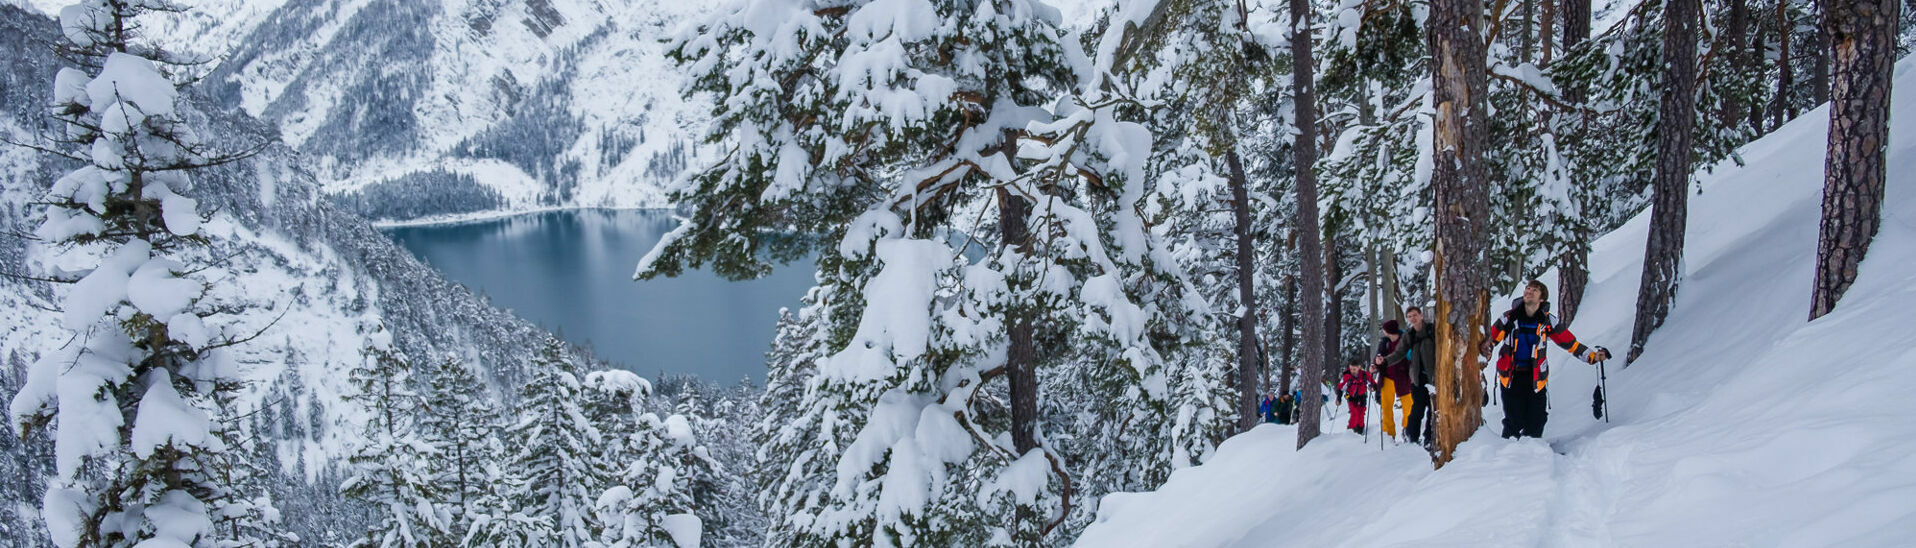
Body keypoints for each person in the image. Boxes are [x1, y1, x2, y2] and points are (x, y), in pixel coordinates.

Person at [1482, 280, 1612, 439]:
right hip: (1510, 376)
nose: (1528, 291)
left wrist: (1592, 357)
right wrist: (1481, 358)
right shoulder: (1509, 318)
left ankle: (1532, 453)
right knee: (1513, 421)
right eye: (1527, 289)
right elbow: (1490, 341)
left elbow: (1569, 343)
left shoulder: (1547, 321)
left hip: (1536, 377)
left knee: (1538, 419)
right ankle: (1508, 458)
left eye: (1534, 290)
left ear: (1541, 299)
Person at [1380, 306, 1435, 444]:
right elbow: (1399, 353)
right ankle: (1412, 437)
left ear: (1421, 315)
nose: (1413, 318)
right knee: (1417, 409)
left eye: (1415, 315)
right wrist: (1385, 361)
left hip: (1434, 377)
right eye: (1410, 316)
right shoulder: (1409, 335)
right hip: (1417, 378)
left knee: (1433, 409)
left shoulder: (1432, 330)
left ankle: (1429, 437)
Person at [1372, 320, 1412, 440]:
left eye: (1384, 330)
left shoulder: (1405, 340)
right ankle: (1388, 434)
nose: (1383, 332)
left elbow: (1410, 357)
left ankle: (1407, 430)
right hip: (1387, 378)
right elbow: (1378, 356)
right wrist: (1375, 364)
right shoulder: (1385, 342)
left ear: (1388, 331)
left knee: (1408, 406)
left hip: (1404, 378)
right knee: (1386, 407)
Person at [1336, 361, 1375, 435]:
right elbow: (1340, 388)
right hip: (1351, 397)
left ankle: (1360, 429)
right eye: (1351, 369)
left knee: (1361, 413)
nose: (1352, 371)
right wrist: (1339, 398)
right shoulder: (1347, 376)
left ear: (1359, 368)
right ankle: (1351, 431)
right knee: (1354, 413)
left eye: (1354, 369)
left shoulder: (1364, 375)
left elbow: (1372, 383)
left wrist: (1372, 387)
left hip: (1362, 396)